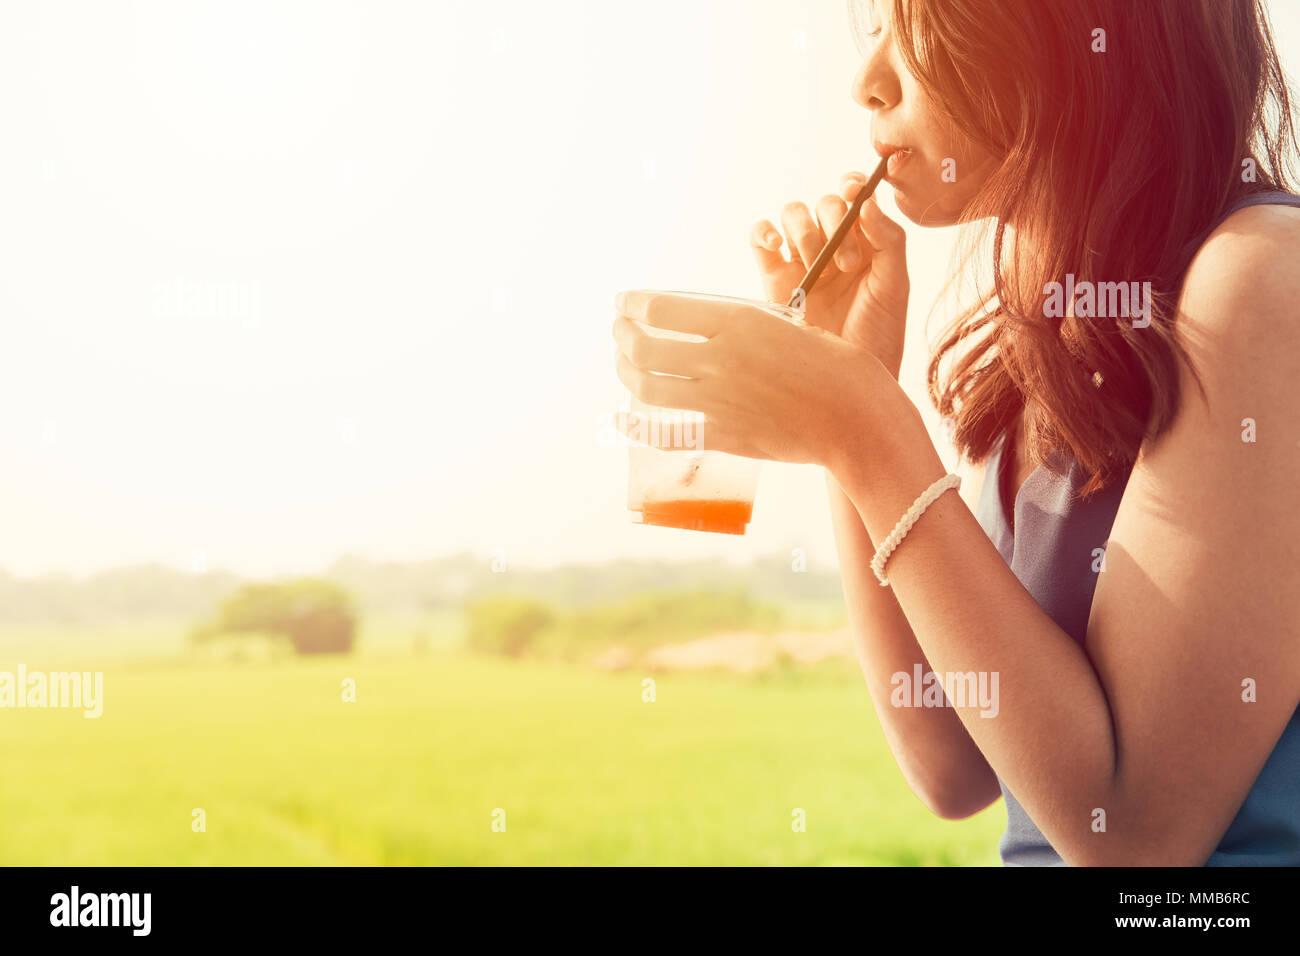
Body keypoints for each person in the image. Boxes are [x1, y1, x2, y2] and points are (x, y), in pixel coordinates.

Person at [612, 0, 1300, 865]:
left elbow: (1136, 836)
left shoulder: (1260, 282)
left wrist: (864, 427)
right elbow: (953, 762)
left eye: (918, 29)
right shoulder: (1057, 321)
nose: (869, 83)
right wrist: (850, 403)